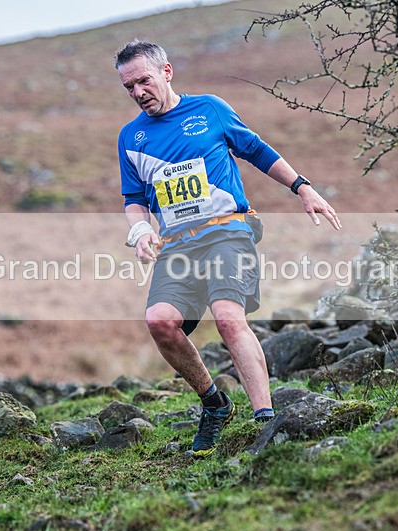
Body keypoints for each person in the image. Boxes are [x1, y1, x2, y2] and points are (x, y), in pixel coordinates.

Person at [115, 40, 341, 458]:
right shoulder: (131, 137)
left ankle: (265, 419)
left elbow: (255, 149)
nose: (138, 91)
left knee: (228, 318)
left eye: (143, 80)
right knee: (160, 322)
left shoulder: (209, 110)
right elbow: (134, 198)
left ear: (166, 72)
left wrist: (302, 188)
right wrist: (140, 231)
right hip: (178, 246)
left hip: (226, 232)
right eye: (128, 86)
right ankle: (215, 405)